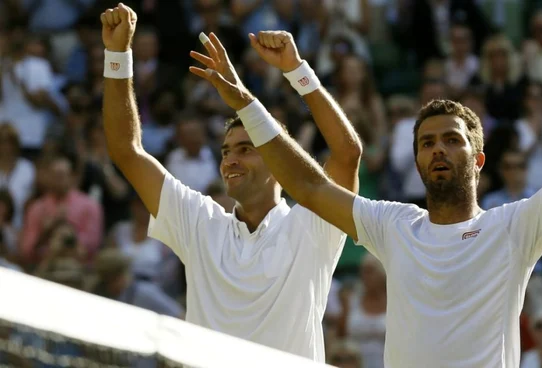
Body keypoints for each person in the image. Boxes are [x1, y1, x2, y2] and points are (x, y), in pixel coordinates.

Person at [195, 18, 542, 368]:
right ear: (417, 161)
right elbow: (306, 183)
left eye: (453, 139)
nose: (439, 150)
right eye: (427, 142)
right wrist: (260, 91)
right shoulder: (394, 225)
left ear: (479, 159)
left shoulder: (512, 227)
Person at [99, 3, 362, 362]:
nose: (230, 160)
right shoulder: (200, 222)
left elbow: (347, 153)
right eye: (225, 152)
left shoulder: (313, 225)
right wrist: (117, 55)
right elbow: (126, 151)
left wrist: (297, 71)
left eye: (245, 149)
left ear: (277, 160)